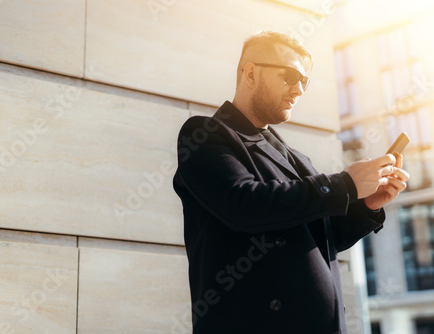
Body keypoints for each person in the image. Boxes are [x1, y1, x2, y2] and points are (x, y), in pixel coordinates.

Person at [172, 31, 409, 334]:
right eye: (289, 75)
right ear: (251, 73)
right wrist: (345, 185)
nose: (298, 89)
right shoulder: (204, 135)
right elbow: (244, 204)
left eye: (304, 81)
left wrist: (366, 207)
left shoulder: (297, 159)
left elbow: (320, 238)